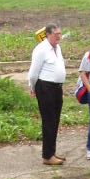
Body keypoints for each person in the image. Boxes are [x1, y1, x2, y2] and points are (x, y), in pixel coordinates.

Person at [28, 23, 66, 166]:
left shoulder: (57, 48)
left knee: (55, 120)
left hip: (56, 87)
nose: (59, 37)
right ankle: (47, 155)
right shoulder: (41, 49)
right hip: (45, 87)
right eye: (56, 35)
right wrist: (32, 87)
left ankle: (51, 152)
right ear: (48, 34)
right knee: (49, 121)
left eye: (60, 34)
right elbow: (33, 73)